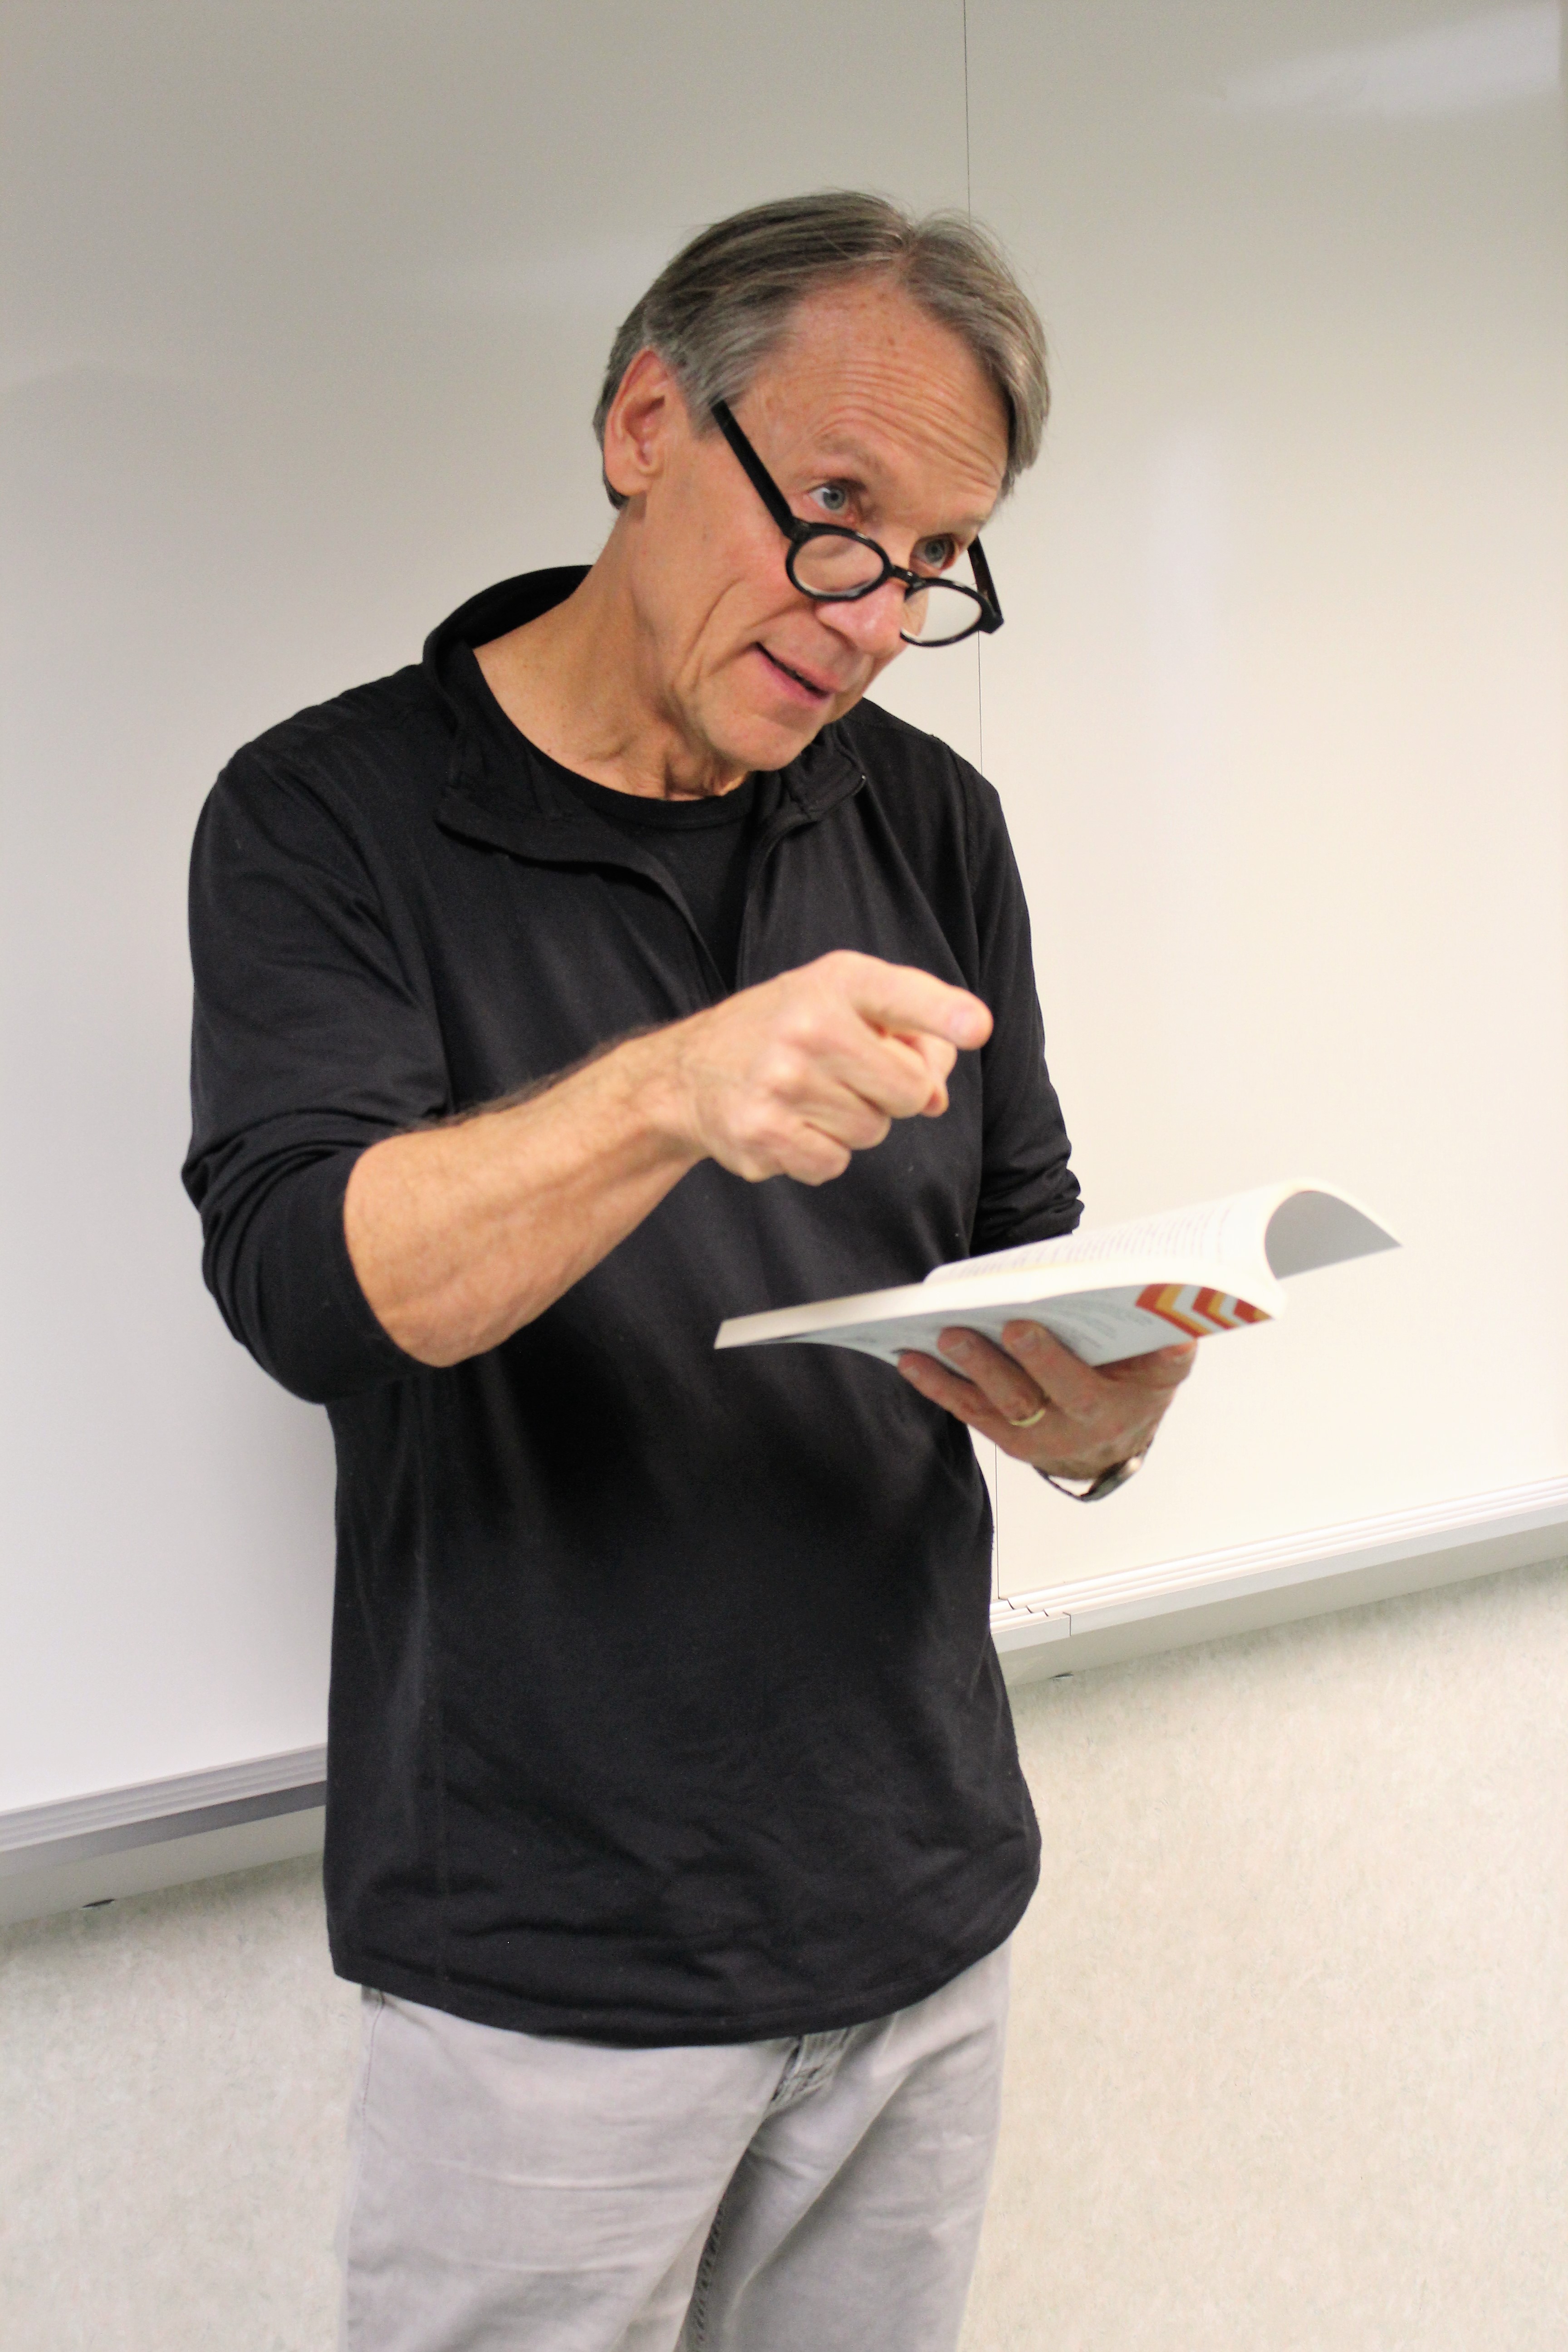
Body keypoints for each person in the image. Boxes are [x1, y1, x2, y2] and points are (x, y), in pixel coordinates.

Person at [184, 191, 1193, 2352]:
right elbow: (305, 1287)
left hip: (922, 1900)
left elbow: (1029, 1252)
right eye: (836, 509)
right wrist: (672, 1094)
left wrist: (1108, 1414)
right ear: (649, 418)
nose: (868, 610)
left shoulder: (930, 819)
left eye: (933, 561)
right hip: (550, 1972)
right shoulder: (323, 817)